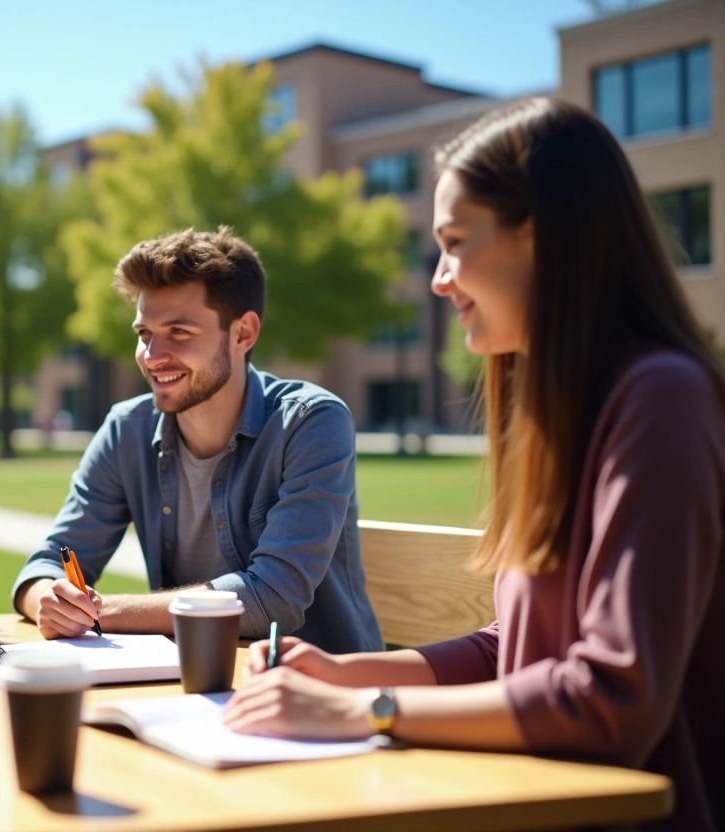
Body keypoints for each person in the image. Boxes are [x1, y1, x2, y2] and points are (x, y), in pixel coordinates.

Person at [223, 98, 724, 832]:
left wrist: (362, 710)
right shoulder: (553, 410)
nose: (439, 279)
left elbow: (611, 698)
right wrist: (351, 671)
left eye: (456, 243)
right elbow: (516, 648)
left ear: (546, 239)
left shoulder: (662, 400)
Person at [12, 227, 383, 653]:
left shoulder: (310, 422)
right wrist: (50, 600)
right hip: (190, 686)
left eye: (179, 332)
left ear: (243, 333)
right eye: (144, 334)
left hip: (322, 696)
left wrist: (99, 612)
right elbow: (46, 564)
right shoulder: (125, 430)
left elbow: (273, 598)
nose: (151, 357)